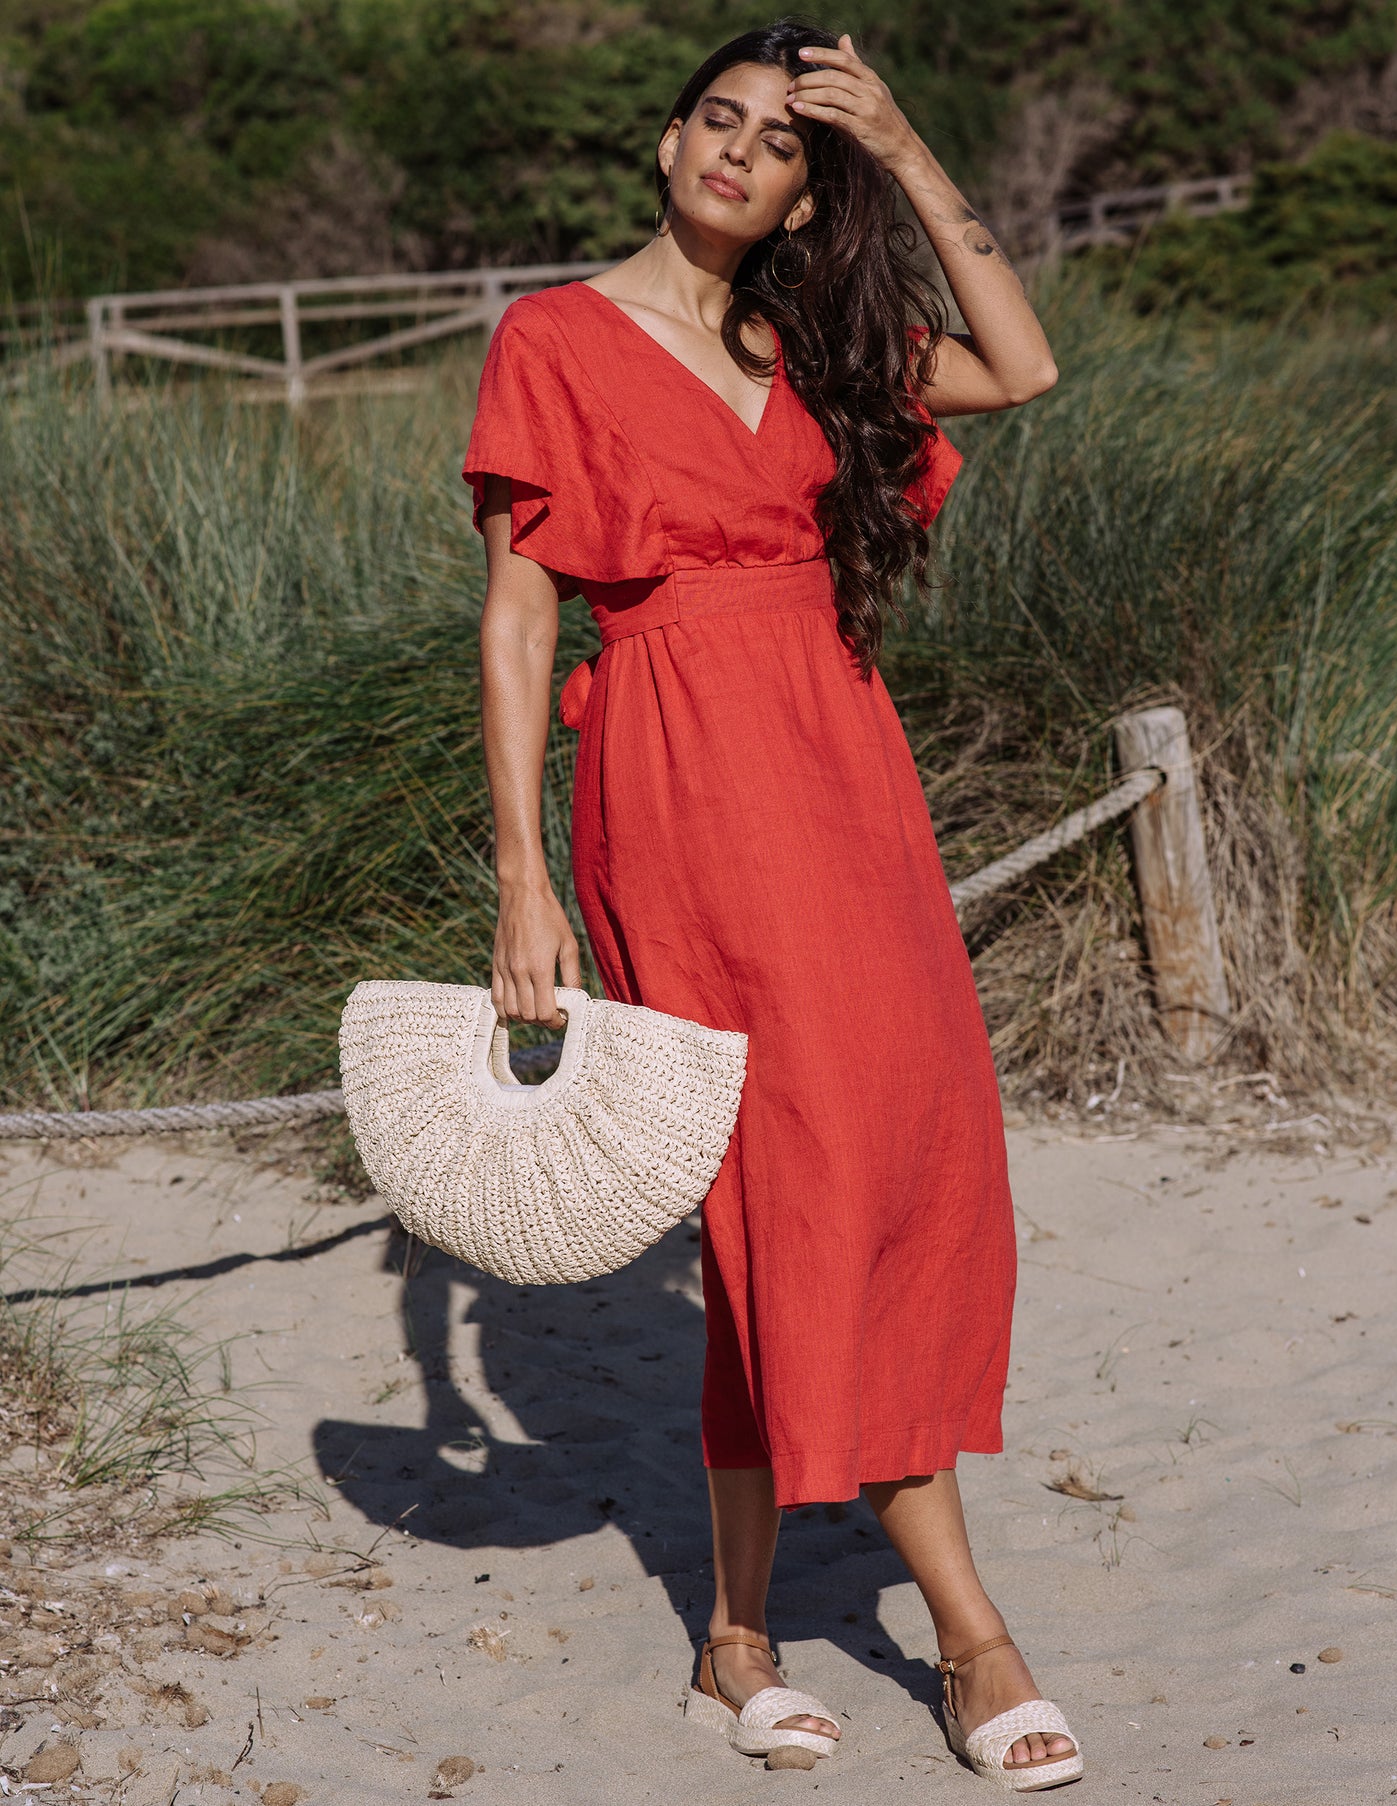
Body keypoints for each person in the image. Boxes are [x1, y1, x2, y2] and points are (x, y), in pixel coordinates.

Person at [464, 19, 1080, 1792]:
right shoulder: (557, 338)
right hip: (676, 785)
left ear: (810, 191)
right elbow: (519, 620)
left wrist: (896, 132)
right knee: (793, 1164)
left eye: (782, 142)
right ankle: (969, 1632)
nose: (741, 152)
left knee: (894, 1152)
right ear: (666, 146)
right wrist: (523, 876)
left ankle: (739, 1629)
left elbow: (1020, 365)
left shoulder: (808, 336)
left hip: (845, 776)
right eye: (716, 122)